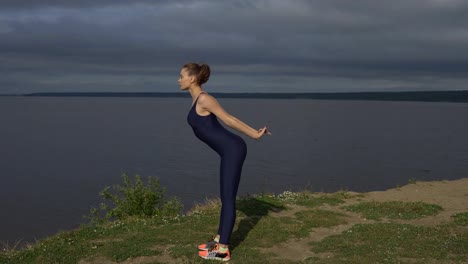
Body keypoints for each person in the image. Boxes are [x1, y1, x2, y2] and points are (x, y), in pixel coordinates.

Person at [179, 62, 270, 261]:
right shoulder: (195, 99)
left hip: (233, 150)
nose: (179, 80)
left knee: (228, 199)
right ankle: (219, 238)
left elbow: (229, 119)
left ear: (192, 78)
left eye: (182, 76)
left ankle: (223, 250)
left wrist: (254, 134)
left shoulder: (204, 99)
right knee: (225, 197)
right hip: (227, 151)